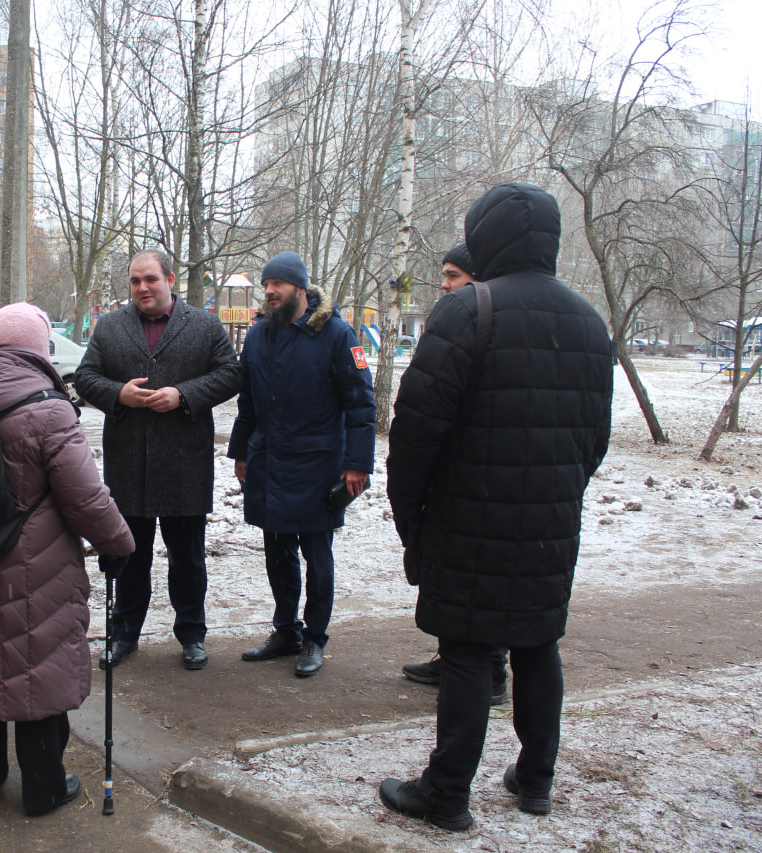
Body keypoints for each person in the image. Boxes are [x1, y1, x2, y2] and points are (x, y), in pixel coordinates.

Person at [381, 183, 613, 831]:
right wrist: (556, 492)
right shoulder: (589, 321)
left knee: (466, 649)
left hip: (467, 520)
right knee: (537, 644)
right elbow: (595, 437)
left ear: (485, 236)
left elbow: (415, 432)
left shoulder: (466, 310)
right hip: (550, 522)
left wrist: (411, 515)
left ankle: (446, 793)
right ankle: (535, 778)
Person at [0, 302, 134, 817]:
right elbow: (86, 497)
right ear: (39, 348)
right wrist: (119, 544)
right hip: (36, 565)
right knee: (35, 667)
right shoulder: (49, 409)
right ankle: (44, 788)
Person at [75, 248, 242, 671]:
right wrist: (119, 394)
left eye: (150, 279)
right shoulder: (110, 326)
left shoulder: (204, 325)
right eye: (135, 281)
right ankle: (124, 634)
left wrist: (183, 394)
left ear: (169, 279)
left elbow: (230, 374)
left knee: (188, 559)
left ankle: (192, 634)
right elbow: (85, 378)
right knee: (129, 556)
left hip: (185, 462)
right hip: (129, 462)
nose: (142, 287)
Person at [227, 252, 375, 678]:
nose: (270, 291)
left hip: (318, 465)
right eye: (265, 284)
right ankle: (286, 631)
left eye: (278, 284)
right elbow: (248, 401)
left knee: (317, 554)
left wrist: (357, 464)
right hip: (269, 460)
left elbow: (361, 402)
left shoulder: (337, 334)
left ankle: (315, 637)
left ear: (301, 288)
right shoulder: (258, 335)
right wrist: (241, 452)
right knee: (277, 552)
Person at [401, 243, 510, 706]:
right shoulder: (463, 318)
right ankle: (454, 658)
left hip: (483, 482)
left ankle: (491, 672)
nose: (444, 285)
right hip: (460, 478)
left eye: (453, 275)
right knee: (455, 579)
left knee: (482, 581)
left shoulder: (488, 321)